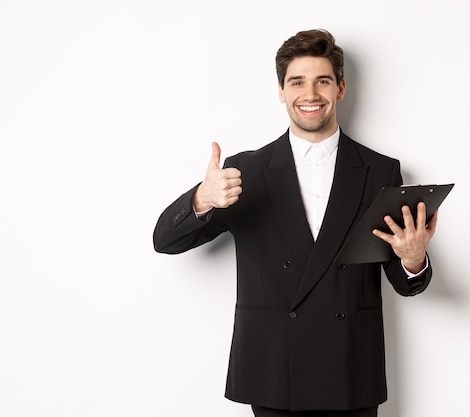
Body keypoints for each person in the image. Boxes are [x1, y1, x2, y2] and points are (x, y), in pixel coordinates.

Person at [153, 29, 438, 417]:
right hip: (274, 370)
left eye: (322, 81)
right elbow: (164, 240)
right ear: (281, 91)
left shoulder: (379, 170)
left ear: (340, 88)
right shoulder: (244, 171)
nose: (310, 93)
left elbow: (405, 282)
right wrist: (202, 199)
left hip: (350, 368)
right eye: (297, 82)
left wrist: (413, 259)